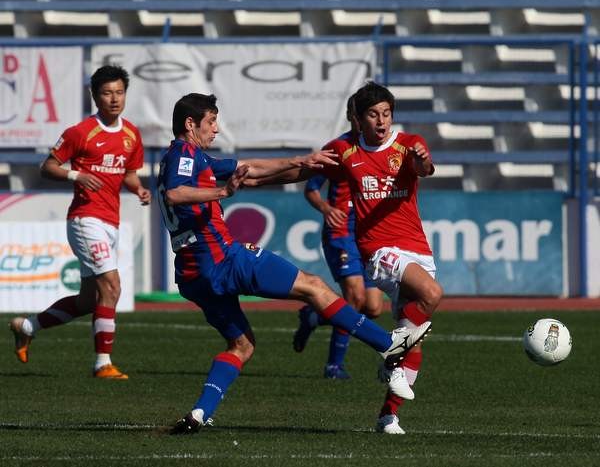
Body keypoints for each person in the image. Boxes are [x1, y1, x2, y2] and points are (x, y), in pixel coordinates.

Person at [156, 92, 432, 434]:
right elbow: (175, 193)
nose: (216, 129)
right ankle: (388, 346)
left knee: (242, 345)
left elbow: (251, 172)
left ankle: (200, 412)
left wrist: (300, 162)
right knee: (314, 286)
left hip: (192, 274)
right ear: (190, 124)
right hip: (222, 259)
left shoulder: (193, 158)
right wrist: (223, 193)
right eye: (211, 122)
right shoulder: (184, 154)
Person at [9, 65, 151, 379]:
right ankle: (103, 364)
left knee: (89, 300)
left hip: (111, 221)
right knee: (111, 286)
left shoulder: (131, 134)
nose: (114, 99)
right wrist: (77, 175)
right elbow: (48, 167)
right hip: (85, 219)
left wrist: (138, 189)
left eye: (119, 92)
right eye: (107, 93)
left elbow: (128, 174)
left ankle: (27, 326)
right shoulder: (81, 132)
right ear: (95, 96)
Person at [326, 82, 443, 434]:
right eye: (373, 114)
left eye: (386, 114)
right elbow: (306, 171)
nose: (381, 121)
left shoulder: (408, 144)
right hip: (378, 250)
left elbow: (424, 166)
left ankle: (388, 416)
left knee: (414, 340)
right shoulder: (344, 149)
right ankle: (392, 349)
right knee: (432, 294)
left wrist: (422, 161)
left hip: (417, 248)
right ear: (359, 119)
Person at [292, 96, 384, 380]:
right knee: (354, 297)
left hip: (369, 234)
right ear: (353, 117)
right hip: (341, 232)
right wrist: (326, 208)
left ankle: (314, 316)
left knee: (373, 307)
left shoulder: (382, 147)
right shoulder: (337, 148)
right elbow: (311, 188)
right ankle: (334, 366)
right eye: (361, 115)